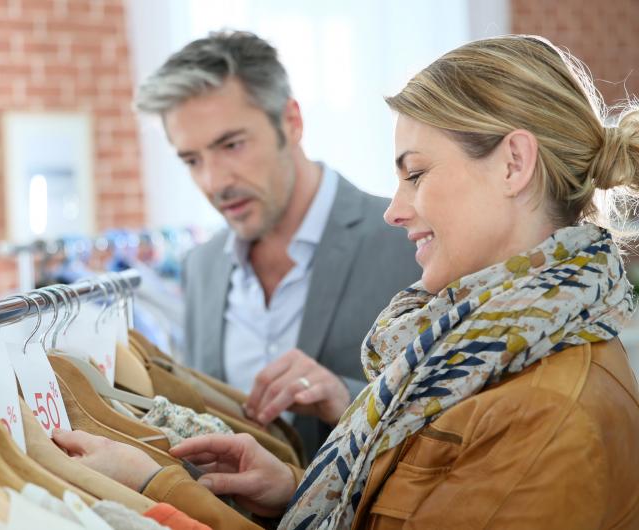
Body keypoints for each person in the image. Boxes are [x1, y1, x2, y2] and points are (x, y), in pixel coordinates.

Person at [55, 35, 639, 529]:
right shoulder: (464, 336)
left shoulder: (541, 408)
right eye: (191, 160)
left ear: (513, 164)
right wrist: (293, 489)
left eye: (416, 173)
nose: (396, 209)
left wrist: (161, 489)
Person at [133, 30, 420, 457]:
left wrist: (347, 398)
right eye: (192, 160)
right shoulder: (201, 268)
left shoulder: (410, 241)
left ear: (291, 122)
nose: (213, 182)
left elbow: (462, 419)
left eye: (231, 145)